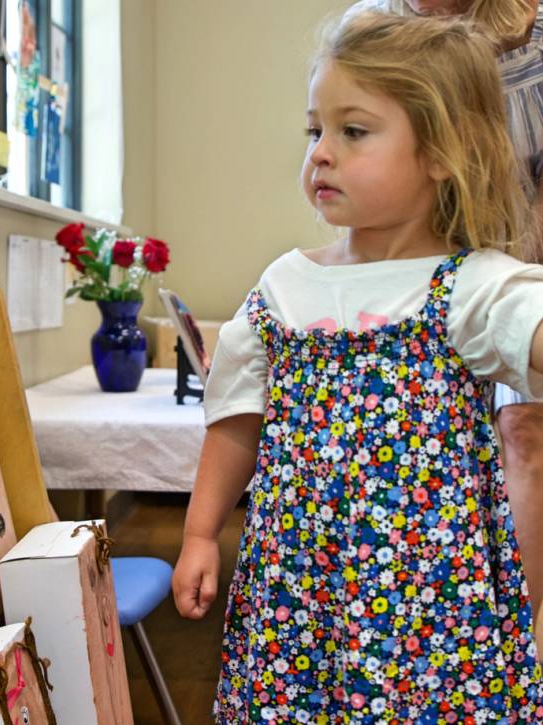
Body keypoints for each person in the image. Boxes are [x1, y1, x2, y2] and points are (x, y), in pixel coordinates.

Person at [172, 11, 543, 722]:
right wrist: (198, 532)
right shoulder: (283, 285)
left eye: (353, 131)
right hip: (294, 584)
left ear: (439, 152)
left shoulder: (470, 285)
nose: (320, 153)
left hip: (427, 602)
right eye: (315, 130)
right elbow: (234, 423)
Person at [353, 0, 543, 641]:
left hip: (523, 269)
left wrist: (503, 278)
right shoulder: (370, 29)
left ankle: (504, 650)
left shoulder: (534, 40)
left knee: (524, 433)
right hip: (411, 278)